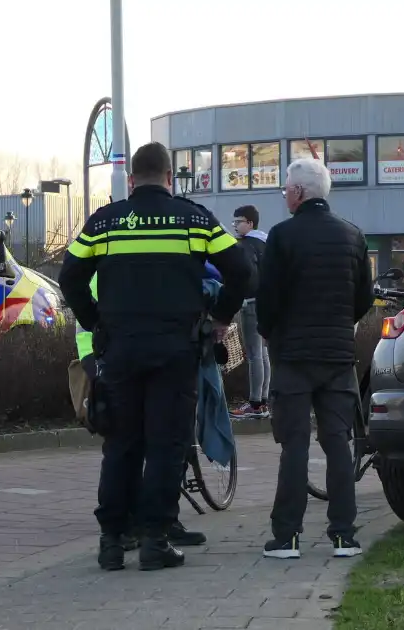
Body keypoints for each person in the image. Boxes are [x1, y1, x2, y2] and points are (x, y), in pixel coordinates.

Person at [59, 141, 251, 572]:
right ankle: (155, 541)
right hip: (176, 349)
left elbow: (69, 276)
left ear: (131, 181)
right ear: (169, 178)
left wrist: (96, 323)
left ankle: (111, 541)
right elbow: (242, 270)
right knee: (167, 444)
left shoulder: (104, 222)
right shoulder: (194, 220)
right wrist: (219, 317)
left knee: (121, 443)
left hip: (120, 351)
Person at [257, 158, 373, 560]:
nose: (285, 195)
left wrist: (272, 333)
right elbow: (364, 299)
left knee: (295, 445)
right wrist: (342, 326)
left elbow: (267, 299)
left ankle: (287, 537)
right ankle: (344, 536)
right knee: (338, 442)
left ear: (299, 192)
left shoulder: (282, 236)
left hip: (293, 355)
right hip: (338, 356)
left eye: (286, 189)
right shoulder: (353, 236)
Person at [72, 274, 210, 554]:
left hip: (113, 358)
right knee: (158, 444)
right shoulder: (112, 265)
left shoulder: (109, 259)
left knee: (125, 447)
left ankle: (124, 530)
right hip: (120, 359)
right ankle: (150, 526)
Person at [229, 205, 271, 419]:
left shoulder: (246, 245)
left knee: (254, 354)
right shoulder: (266, 242)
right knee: (262, 354)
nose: (235, 226)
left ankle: (255, 404)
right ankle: (263, 400)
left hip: (251, 304)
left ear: (250, 223)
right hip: (266, 303)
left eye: (238, 221)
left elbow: (246, 275)